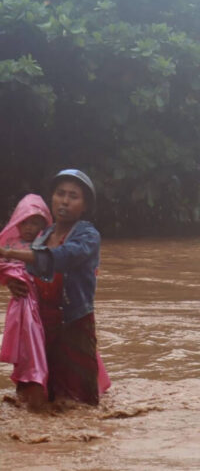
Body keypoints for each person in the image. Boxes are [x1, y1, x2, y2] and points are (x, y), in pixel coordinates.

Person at [0, 170, 110, 405]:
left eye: (74, 196)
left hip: (74, 324)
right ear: (52, 198)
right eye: (60, 194)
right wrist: (12, 283)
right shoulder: (43, 235)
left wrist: (8, 252)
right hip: (43, 325)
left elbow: (61, 257)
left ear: (85, 206)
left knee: (78, 401)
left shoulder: (88, 235)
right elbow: (28, 272)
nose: (65, 201)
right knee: (41, 397)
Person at [0, 194, 52, 408]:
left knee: (45, 343)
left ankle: (38, 382)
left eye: (35, 223)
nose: (29, 228)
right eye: (25, 222)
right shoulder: (9, 244)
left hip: (45, 303)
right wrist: (9, 279)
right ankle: (29, 381)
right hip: (22, 303)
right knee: (27, 340)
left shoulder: (47, 245)